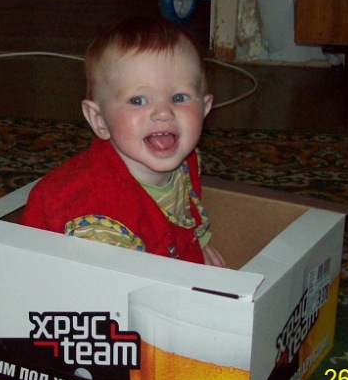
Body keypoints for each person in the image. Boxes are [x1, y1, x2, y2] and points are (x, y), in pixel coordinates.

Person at [20, 15, 226, 268]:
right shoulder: (98, 211)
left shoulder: (186, 158)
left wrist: (197, 242)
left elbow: (182, 213)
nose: (163, 113)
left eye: (179, 97)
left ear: (205, 108)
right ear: (99, 120)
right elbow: (106, 284)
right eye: (137, 100)